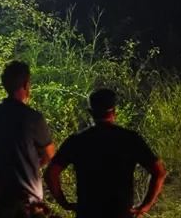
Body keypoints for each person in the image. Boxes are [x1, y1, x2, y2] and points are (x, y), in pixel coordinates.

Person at [44, 88, 167, 218]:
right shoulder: (130, 138)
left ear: (90, 112)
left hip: (87, 213)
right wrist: (145, 206)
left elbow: (51, 173)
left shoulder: (76, 140)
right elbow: (159, 172)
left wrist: (65, 204)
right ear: (114, 111)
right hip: (120, 213)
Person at [0, 60, 55, 214]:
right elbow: (50, 153)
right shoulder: (32, 117)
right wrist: (35, 164)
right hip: (28, 201)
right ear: (26, 84)